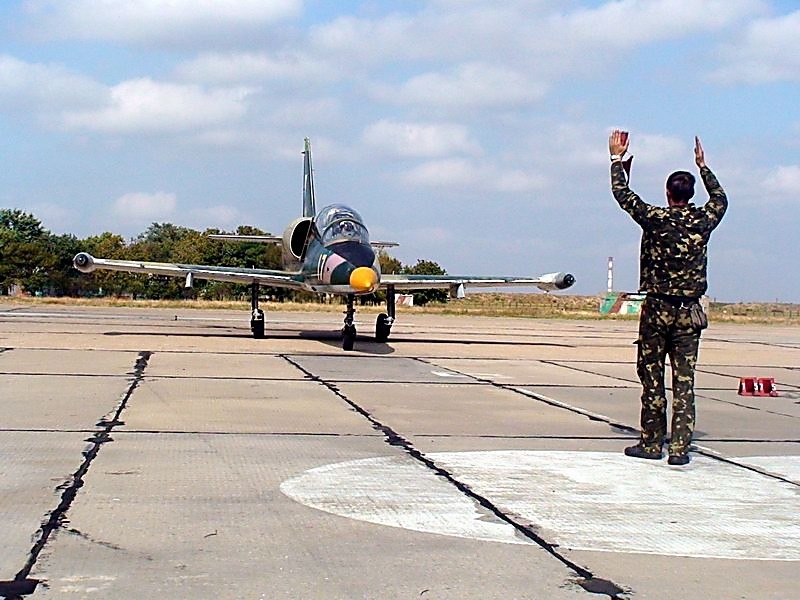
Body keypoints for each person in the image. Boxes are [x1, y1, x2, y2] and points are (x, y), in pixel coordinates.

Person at [609, 130, 728, 466]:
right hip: (689, 313)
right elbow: (720, 199)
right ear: (690, 194)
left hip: (658, 309)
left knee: (651, 377)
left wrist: (617, 160)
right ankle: (678, 448)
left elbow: (623, 195)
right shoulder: (702, 220)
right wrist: (704, 167)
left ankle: (651, 442)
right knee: (684, 381)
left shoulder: (656, 219)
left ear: (667, 193)